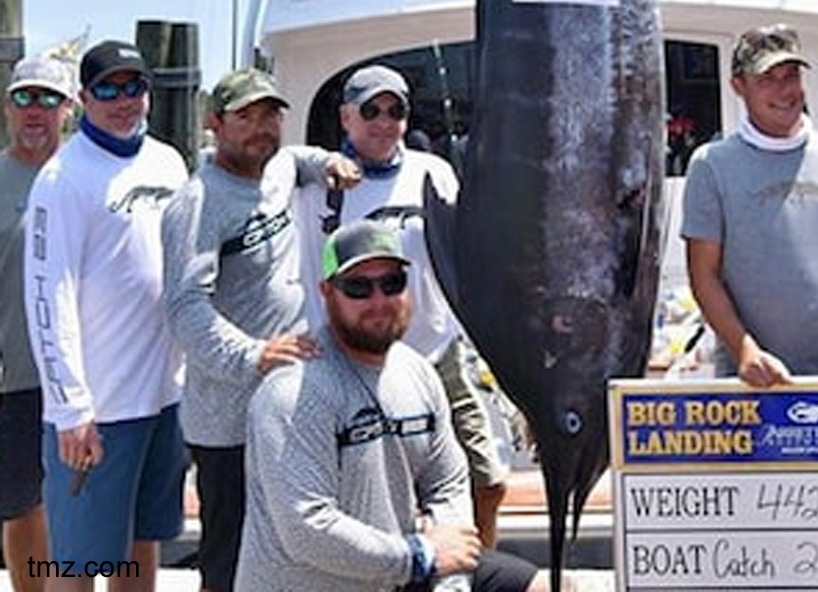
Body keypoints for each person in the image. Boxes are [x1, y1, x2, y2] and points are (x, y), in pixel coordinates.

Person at [236, 219, 548, 592]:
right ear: (326, 292)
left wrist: (451, 577)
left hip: (395, 571)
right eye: (358, 287)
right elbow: (307, 530)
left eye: (392, 283)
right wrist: (421, 556)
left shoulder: (418, 373)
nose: (379, 301)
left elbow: (447, 481)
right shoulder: (290, 392)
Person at [680, 25, 818, 542]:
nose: (784, 88)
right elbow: (703, 274)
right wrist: (744, 348)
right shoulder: (711, 165)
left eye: (791, 74)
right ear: (739, 87)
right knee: (763, 537)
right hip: (751, 389)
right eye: (767, 78)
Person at [161, 69, 361, 592]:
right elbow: (185, 307)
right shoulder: (197, 202)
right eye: (244, 117)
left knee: (291, 543)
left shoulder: (276, 167)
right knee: (229, 559)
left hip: (288, 403)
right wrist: (254, 354)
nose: (260, 128)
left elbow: (299, 160)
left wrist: (329, 162)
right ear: (214, 123)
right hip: (227, 422)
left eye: (269, 115)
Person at [297, 64, 509, 547]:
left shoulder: (433, 171)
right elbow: (264, 163)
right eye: (370, 110)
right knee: (374, 499)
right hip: (356, 362)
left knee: (487, 482)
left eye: (396, 111)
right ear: (346, 116)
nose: (384, 121)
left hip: (437, 355)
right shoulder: (316, 185)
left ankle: (475, 573)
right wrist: (317, 161)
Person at [24, 40, 189, 592]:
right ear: (83, 97)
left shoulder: (169, 162)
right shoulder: (62, 178)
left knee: (143, 548)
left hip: (164, 399)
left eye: (134, 86)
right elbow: (48, 297)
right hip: (97, 412)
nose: (124, 100)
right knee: (76, 566)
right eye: (108, 89)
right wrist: (71, 407)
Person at [1, 56, 74, 592]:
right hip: (15, 378)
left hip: (85, 379)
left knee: (81, 506)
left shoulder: (86, 175)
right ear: (7, 106)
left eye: (49, 99)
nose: (35, 110)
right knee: (21, 505)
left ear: (68, 110)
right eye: (24, 97)